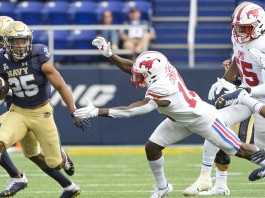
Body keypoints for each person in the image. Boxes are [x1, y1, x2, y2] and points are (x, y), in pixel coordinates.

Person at [74, 46, 265, 197]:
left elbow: (135, 109)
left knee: (241, 150)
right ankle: (162, 187)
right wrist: (110, 54)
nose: (137, 78)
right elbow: (131, 67)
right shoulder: (162, 69)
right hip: (179, 119)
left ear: (153, 74)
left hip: (202, 119)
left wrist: (97, 111)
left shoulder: (162, 87)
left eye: (142, 76)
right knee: (152, 147)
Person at [0, 21, 90, 198]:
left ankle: (62, 168)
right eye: (15, 41)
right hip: (18, 111)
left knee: (55, 163)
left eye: (23, 40)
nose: (20, 45)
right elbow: (3, 89)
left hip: (41, 112)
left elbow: (61, 85)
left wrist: (73, 111)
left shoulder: (37, 55)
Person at [184, 2, 265, 196]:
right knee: (214, 122)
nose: (239, 31)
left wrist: (244, 90)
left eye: (244, 27)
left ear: (259, 25)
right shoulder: (240, 38)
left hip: (259, 98)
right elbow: (238, 58)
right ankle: (211, 180)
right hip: (246, 96)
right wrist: (225, 80)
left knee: (261, 151)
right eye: (236, 27)